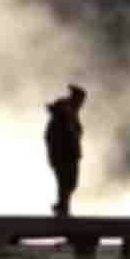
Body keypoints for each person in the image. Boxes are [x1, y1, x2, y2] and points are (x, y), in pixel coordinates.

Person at [44, 84, 86, 217]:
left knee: (69, 183)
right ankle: (62, 208)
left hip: (69, 154)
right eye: (80, 100)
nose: (82, 103)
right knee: (66, 182)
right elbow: (52, 137)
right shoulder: (64, 114)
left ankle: (62, 206)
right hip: (64, 155)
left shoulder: (71, 112)